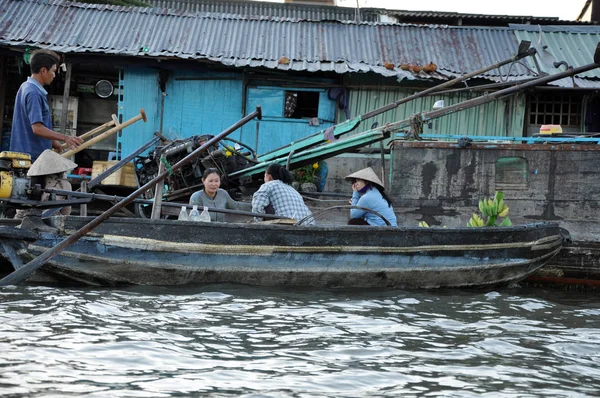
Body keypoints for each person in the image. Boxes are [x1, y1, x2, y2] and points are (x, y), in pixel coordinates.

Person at [10, 49, 83, 161]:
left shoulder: (25, 86)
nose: (54, 75)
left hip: (27, 156)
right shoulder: (34, 93)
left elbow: (32, 125)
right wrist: (65, 138)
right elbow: (37, 128)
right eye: (53, 71)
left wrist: (54, 142)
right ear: (43, 71)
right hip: (31, 159)